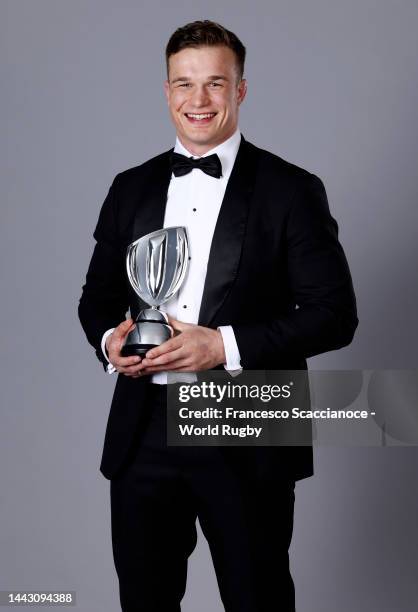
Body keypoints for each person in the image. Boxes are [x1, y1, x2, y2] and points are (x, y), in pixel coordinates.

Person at [79, 19, 358, 612]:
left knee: (256, 598)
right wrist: (110, 340)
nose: (198, 101)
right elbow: (96, 298)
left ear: (240, 90)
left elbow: (336, 315)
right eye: (184, 84)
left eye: (214, 84)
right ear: (166, 91)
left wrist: (222, 346)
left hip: (246, 425)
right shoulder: (129, 186)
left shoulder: (291, 189)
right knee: (144, 601)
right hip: (143, 426)